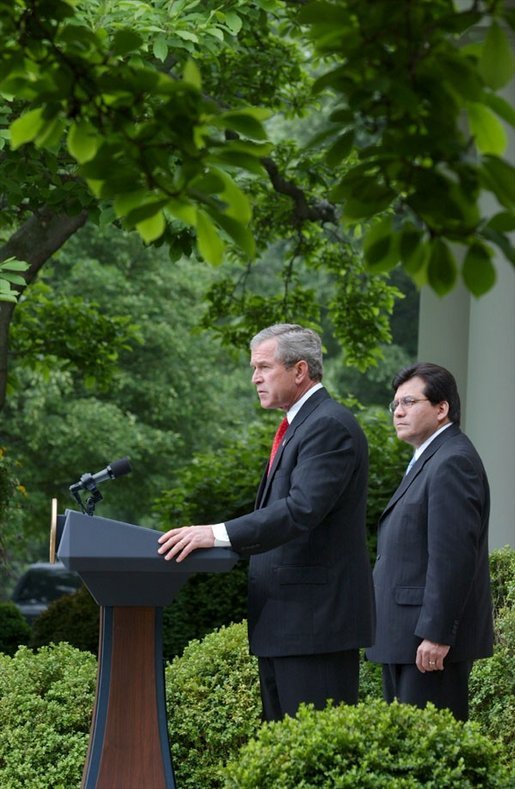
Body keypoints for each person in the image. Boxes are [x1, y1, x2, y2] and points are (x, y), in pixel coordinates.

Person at [158, 323, 375, 721]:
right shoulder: (302, 425)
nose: (254, 378)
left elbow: (299, 510)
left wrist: (217, 534)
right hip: (289, 626)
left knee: (312, 761)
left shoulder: (328, 426)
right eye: (252, 368)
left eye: (263, 366)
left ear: (300, 370)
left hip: (314, 628)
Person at [366, 362, 493, 721]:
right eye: (395, 405)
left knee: (428, 755)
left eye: (409, 402)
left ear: (442, 409)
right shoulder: (431, 458)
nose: (398, 412)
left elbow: (452, 557)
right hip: (406, 639)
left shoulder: (453, 461)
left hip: (427, 644)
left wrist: (437, 635)